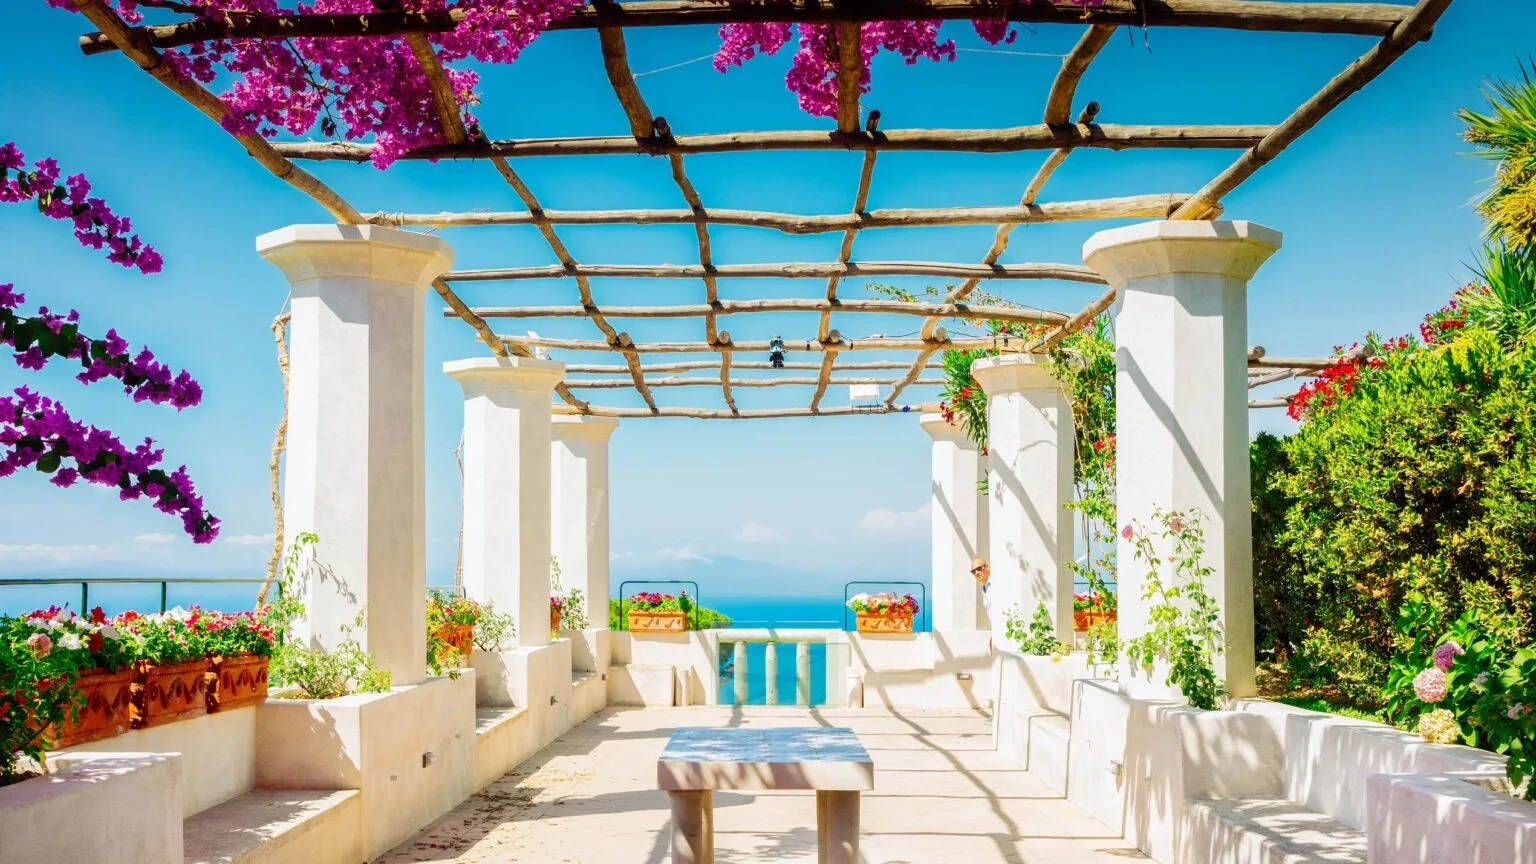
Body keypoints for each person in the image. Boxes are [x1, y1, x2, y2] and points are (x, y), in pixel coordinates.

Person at [972, 557, 993, 654]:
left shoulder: (995, 585)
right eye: (973, 571)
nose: (976, 573)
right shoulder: (984, 588)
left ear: (987, 567)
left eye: (979, 568)